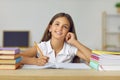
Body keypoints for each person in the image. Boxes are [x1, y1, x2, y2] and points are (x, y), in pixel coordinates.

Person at [20, 12, 92, 66]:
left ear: (68, 32)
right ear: (50, 28)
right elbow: (17, 58)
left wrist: (75, 42)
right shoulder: (41, 47)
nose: (60, 28)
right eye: (57, 24)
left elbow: (94, 59)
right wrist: (35, 61)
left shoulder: (70, 49)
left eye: (65, 27)